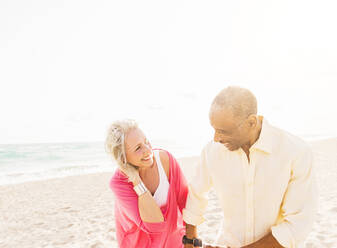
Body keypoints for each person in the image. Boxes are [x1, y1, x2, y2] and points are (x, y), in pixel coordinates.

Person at [182, 86, 317, 248]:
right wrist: (190, 240)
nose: (216, 138)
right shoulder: (212, 151)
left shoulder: (296, 152)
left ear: (251, 122)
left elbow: (298, 224)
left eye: (224, 131)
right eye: (214, 129)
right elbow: (196, 194)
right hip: (227, 242)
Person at [105, 119, 188, 248]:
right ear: (123, 158)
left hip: (174, 241)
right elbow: (155, 225)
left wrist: (192, 239)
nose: (148, 150)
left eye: (146, 142)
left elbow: (185, 202)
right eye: (138, 148)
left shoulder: (165, 160)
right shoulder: (119, 183)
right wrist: (136, 180)